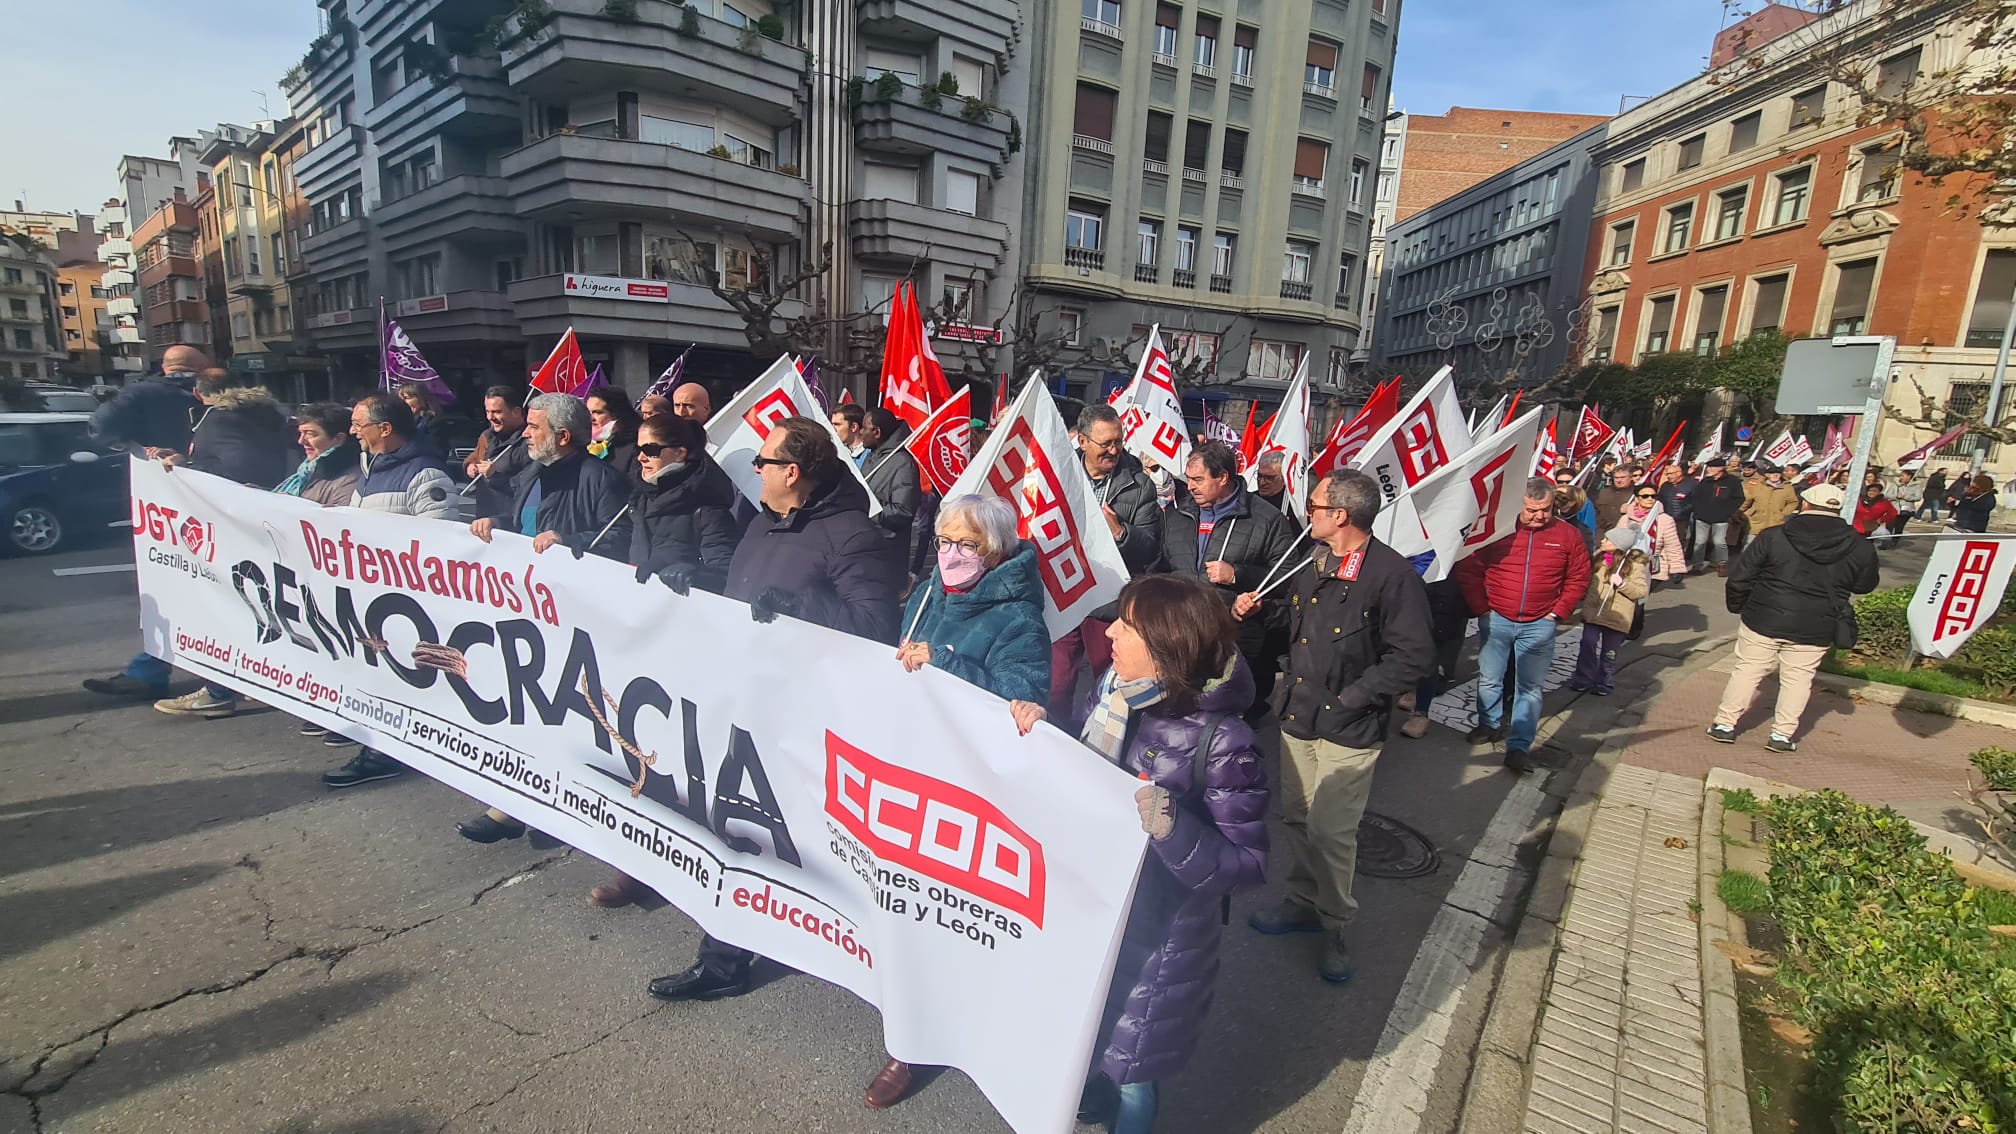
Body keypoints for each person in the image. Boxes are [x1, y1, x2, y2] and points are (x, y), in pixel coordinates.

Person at [647, 417, 902, 1005]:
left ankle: (838, 951)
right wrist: (697, 576)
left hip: (805, 716)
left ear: (792, 472)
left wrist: (801, 605)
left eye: (764, 462)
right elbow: (747, 591)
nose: (755, 470)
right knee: (732, 826)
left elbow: (874, 628)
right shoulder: (763, 521)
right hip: (746, 698)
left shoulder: (851, 535)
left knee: (790, 841)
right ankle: (724, 956)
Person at [868, 495, 1051, 1110]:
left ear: (993, 550)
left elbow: (1019, 704)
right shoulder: (925, 596)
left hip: (965, 794)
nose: (950, 553)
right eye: (944, 540)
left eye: (965, 544)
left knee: (942, 918)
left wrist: (944, 663)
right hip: (911, 770)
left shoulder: (1019, 617)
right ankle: (910, 1027)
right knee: (902, 908)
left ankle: (919, 1048)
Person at [1073, 575, 1269, 1133]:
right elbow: (1083, 770)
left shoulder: (1226, 743)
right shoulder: (1114, 689)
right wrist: (1041, 733)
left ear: (1166, 647)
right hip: (1091, 907)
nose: (1109, 630)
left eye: (1127, 626)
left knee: (1132, 1067)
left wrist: (1174, 827)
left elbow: (1248, 866)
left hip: (1159, 938)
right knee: (1083, 1036)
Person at [1233, 469, 1431, 982]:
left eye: (1316, 507)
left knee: (1330, 831)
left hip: (1349, 726)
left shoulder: (1391, 575)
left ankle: (1335, 922)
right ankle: (1302, 901)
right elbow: (1297, 623)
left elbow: (1413, 657)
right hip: (1299, 715)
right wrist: (1260, 610)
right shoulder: (1315, 561)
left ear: (1339, 515)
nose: (1308, 514)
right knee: (1298, 819)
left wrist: (1353, 697)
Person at [582, 413, 746, 910]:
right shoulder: (641, 498)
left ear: (683, 454)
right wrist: (570, 550)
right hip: (641, 641)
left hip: (687, 649)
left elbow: (725, 572)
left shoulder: (708, 508)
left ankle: (695, 861)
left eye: (652, 449)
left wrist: (688, 573)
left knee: (677, 762)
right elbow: (615, 551)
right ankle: (637, 864)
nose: (643, 457)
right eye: (640, 449)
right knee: (637, 753)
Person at [456, 393, 630, 835]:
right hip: (527, 610)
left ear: (563, 436)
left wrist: (570, 539)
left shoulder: (599, 479)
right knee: (526, 711)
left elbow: (620, 539)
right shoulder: (532, 472)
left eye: (534, 428)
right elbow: (525, 524)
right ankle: (513, 805)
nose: (525, 435)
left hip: (572, 617)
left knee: (562, 716)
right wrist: (496, 523)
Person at [148, 383, 324, 721]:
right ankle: (239, 685)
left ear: (201, 392)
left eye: (311, 435)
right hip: (266, 527)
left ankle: (221, 691)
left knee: (240, 609)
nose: (303, 441)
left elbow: (236, 468)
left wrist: (186, 468)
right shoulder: (267, 419)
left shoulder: (222, 419)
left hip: (246, 529)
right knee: (260, 612)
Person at [317, 393, 462, 788]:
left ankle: (386, 751)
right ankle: (378, 738)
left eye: (358, 425)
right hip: (373, 596)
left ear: (384, 429)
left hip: (405, 603)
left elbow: (440, 543)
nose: (351, 432)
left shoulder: (425, 474)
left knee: (400, 677)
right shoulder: (372, 467)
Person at [1709, 483, 1878, 752]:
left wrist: (1739, 605)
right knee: (1799, 678)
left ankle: (1725, 724)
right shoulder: (1858, 544)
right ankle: (1782, 735)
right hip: (1817, 622)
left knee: (1748, 670)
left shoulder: (1774, 535)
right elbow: (1864, 585)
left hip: (1764, 615)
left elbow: (1741, 575)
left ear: (1805, 505)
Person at [1454, 477, 1591, 774]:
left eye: (1544, 509)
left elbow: (1578, 577)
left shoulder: (1568, 536)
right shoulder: (1497, 532)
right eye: (1531, 510)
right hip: (1498, 619)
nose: (1538, 516)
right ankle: (1488, 724)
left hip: (1539, 624)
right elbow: (1469, 567)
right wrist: (1483, 609)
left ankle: (1518, 746)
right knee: (1490, 678)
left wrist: (1557, 613)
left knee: (1529, 688)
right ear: (1519, 505)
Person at [1160, 441, 1300, 709]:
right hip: (1180, 635)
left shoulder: (1266, 519)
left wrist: (1238, 574)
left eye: (1198, 479)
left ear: (1223, 477)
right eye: (1188, 479)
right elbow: (1158, 565)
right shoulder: (1177, 512)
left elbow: (1289, 576)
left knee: (1226, 722)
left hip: (1234, 639)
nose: (1190, 486)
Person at [1050, 404, 1164, 728]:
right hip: (1064, 592)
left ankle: (1102, 745)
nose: (1113, 450)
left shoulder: (1139, 485)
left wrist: (1119, 531)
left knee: (1109, 681)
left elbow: (1149, 547)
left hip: (1108, 600)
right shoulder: (1060, 471)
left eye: (1118, 441)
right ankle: (1051, 740)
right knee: (1056, 682)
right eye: (1105, 444)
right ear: (1083, 441)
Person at [1570, 526, 1650, 697]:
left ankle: (1604, 682)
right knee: (1587, 644)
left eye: (1607, 540)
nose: (1602, 541)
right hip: (1594, 613)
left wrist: (1623, 585)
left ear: (1618, 544)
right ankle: (1583, 679)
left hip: (1616, 617)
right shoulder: (1597, 559)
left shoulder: (1634, 566)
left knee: (1609, 652)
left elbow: (1641, 591)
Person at [857, 406, 922, 570]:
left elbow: (903, 512)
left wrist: (864, 505)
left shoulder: (902, 463)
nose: (861, 433)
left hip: (886, 555)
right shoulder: (872, 456)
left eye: (864, 428)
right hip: (865, 549)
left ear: (877, 432)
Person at [278, 401, 363, 507]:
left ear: (339, 439)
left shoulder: (350, 480)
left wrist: (293, 505)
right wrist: (263, 494)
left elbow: (343, 519)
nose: (301, 441)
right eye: (301, 433)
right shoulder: (307, 474)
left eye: (310, 434)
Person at [465, 386, 529, 523]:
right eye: (487, 411)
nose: (490, 417)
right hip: (484, 515)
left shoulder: (528, 443)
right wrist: (470, 466)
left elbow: (526, 487)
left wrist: (495, 475)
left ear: (516, 412)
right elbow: (475, 456)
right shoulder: (487, 436)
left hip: (510, 519)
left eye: (497, 412)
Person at [1689, 457, 1745, 576]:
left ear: (1720, 468)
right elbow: (1695, 497)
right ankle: (1697, 566)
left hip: (1721, 518)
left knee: (1719, 542)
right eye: (1708, 467)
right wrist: (1697, 510)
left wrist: (1728, 512)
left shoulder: (1733, 481)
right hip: (1702, 517)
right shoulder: (1705, 481)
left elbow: (1739, 499)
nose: (1708, 469)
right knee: (1699, 542)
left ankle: (1722, 565)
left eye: (1711, 467)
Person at [1623, 483, 1686, 584]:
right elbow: (1615, 543)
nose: (1650, 499)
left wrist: (1677, 568)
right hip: (1629, 565)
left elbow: (1673, 545)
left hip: (1653, 567)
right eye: (1645, 496)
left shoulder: (1665, 519)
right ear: (1637, 499)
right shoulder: (1626, 518)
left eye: (1653, 496)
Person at [585, 386, 643, 482]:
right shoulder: (582, 445)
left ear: (617, 414)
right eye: (588, 412)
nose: (591, 418)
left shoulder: (635, 448)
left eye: (598, 412)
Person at [1742, 462, 1799, 535]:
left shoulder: (1787, 488)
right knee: (1750, 543)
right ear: (1767, 475)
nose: (1775, 475)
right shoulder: (1758, 486)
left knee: (1771, 544)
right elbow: (1748, 500)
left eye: (1778, 473)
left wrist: (1784, 513)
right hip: (1757, 521)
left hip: (1776, 522)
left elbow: (1793, 502)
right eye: (1772, 473)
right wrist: (1740, 511)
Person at [1657, 463, 1697, 559]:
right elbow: (1660, 499)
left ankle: (1678, 562)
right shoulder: (1665, 486)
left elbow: (1695, 501)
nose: (1668, 476)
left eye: (1671, 474)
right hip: (1666, 518)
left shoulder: (1692, 484)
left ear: (1679, 473)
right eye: (1667, 474)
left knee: (1678, 541)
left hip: (1682, 519)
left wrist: (1684, 511)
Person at [397, 384, 450, 456]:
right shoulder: (398, 420)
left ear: (421, 398)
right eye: (400, 399)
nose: (402, 402)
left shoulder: (434, 421)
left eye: (406, 398)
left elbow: (433, 447)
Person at [1852, 481, 1900, 545]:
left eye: (1874, 491)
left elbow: (1893, 513)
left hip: (1871, 526)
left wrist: (1881, 520)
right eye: (1869, 490)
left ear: (1879, 492)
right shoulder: (1860, 500)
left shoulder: (1884, 502)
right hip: (1855, 526)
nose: (1871, 492)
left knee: (1865, 545)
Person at [1554, 483, 1597, 552]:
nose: (1554, 498)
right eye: (1553, 493)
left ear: (1572, 502)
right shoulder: (1541, 520)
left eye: (1560, 495)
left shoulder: (1581, 531)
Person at [1594, 464, 1637, 532]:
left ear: (1631, 477)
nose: (1619, 480)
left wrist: (1631, 510)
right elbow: (1595, 511)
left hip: (1626, 533)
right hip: (1604, 532)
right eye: (1616, 477)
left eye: (1623, 477)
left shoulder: (1637, 494)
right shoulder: (1604, 492)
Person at [1887, 468, 1923, 534]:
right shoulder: (1895, 484)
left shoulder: (1916, 485)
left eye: (1903, 475)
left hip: (1906, 510)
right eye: (1900, 475)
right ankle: (1885, 542)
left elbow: (1918, 497)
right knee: (1889, 526)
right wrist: (1897, 496)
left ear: (1909, 476)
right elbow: (1887, 495)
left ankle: (1894, 543)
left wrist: (1906, 497)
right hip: (1894, 508)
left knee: (1899, 527)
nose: (1901, 477)